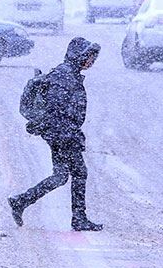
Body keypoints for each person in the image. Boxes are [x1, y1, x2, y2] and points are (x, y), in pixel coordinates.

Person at [9, 37, 103, 231]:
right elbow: (56, 110)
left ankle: (21, 201)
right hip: (62, 135)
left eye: (93, 58)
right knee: (78, 173)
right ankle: (78, 218)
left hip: (61, 134)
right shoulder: (64, 76)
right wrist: (66, 135)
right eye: (89, 57)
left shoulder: (68, 73)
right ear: (78, 56)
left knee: (61, 176)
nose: (91, 61)